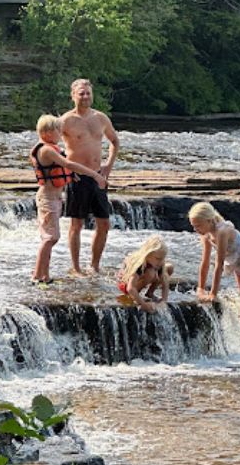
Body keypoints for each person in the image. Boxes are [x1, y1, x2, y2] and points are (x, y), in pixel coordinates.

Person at [30, 114, 106, 285]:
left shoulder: (51, 148)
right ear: (48, 132)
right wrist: (94, 174)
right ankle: (37, 275)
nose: (61, 134)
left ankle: (45, 275)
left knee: (51, 237)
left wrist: (72, 176)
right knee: (50, 238)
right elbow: (68, 164)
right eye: (59, 131)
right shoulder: (47, 149)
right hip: (47, 198)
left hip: (55, 198)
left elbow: (62, 170)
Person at [188, 201, 240, 348]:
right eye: (193, 226)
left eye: (198, 225)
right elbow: (205, 263)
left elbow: (218, 265)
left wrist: (213, 293)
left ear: (209, 220)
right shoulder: (206, 236)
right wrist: (200, 288)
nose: (195, 229)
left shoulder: (223, 232)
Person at [60, 78, 120, 276]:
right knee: (76, 224)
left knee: (104, 223)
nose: (85, 97)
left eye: (88, 93)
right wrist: (65, 170)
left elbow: (115, 141)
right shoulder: (66, 120)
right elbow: (48, 145)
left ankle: (94, 265)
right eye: (81, 93)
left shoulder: (101, 118)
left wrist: (108, 167)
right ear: (73, 96)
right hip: (77, 178)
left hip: (98, 178)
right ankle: (76, 267)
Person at [116, 236, 173, 312]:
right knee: (151, 273)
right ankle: (136, 295)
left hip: (144, 274)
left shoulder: (159, 263)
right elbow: (130, 288)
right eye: (158, 258)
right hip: (125, 284)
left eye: (163, 258)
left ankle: (150, 293)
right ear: (147, 255)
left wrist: (164, 301)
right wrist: (143, 304)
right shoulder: (139, 265)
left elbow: (165, 281)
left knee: (169, 268)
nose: (161, 261)